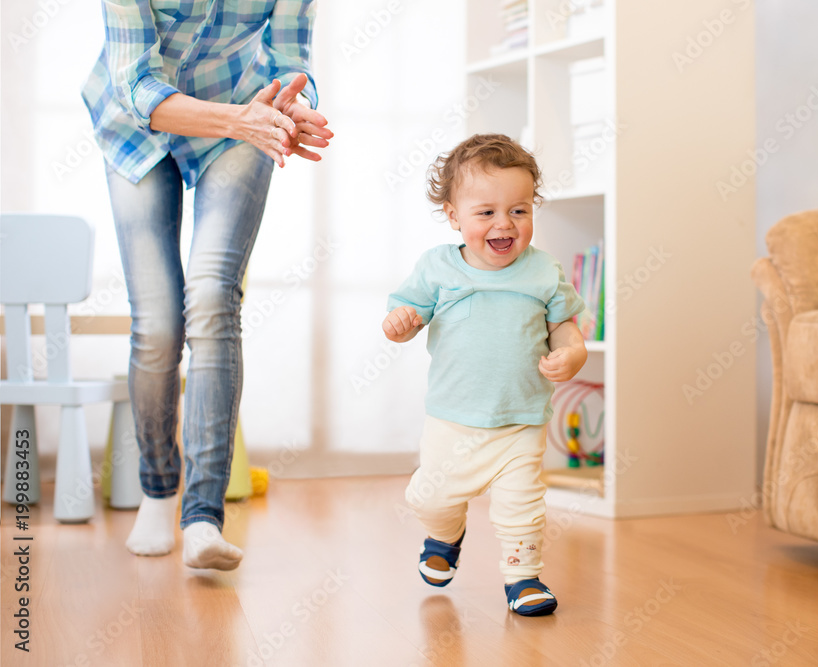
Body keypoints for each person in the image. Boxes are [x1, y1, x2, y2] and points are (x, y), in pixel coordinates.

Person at [83, 1, 333, 570]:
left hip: (242, 113)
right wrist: (240, 119)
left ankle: (202, 518)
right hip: (137, 122)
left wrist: (293, 109)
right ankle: (157, 487)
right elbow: (136, 84)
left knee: (214, 297)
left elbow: (292, 61)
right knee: (158, 323)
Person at [382, 134, 588, 616]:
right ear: (454, 217)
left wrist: (572, 355)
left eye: (519, 211)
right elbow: (406, 312)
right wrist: (401, 323)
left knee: (522, 506)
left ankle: (523, 579)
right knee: (430, 497)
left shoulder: (542, 272)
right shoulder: (437, 268)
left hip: (520, 418)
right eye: (486, 212)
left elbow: (565, 329)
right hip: (453, 418)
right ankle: (445, 532)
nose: (505, 223)